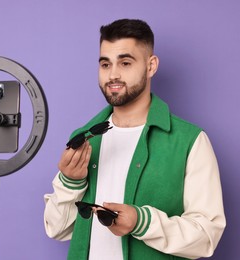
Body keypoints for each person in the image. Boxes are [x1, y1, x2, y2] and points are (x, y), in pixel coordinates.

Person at [44, 18, 226, 260]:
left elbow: (206, 237)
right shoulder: (84, 139)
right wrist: (70, 183)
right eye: (105, 64)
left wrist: (142, 222)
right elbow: (57, 230)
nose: (113, 75)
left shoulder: (190, 141)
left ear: (151, 66)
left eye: (126, 63)